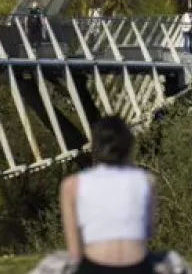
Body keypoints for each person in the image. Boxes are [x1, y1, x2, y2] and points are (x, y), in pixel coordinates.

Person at [60, 116, 158, 274]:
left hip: (93, 268)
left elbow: (75, 252)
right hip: (138, 267)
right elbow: (147, 232)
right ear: (128, 145)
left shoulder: (72, 185)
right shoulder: (146, 181)